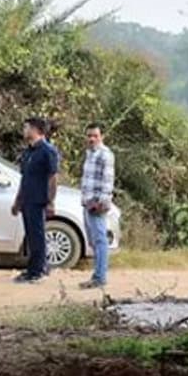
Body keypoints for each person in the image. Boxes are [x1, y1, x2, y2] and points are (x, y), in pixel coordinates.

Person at [11, 117, 60, 284]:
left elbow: (53, 177)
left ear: (36, 130)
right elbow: (24, 178)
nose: (24, 131)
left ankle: (38, 271)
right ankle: (34, 268)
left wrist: (51, 201)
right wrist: (18, 201)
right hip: (27, 200)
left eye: (27, 128)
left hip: (39, 200)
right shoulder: (28, 152)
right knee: (31, 237)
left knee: (38, 236)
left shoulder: (48, 151)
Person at [79, 123, 115, 290]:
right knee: (94, 240)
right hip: (87, 202)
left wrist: (100, 203)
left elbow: (107, 182)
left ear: (102, 136)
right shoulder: (90, 154)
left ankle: (100, 277)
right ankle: (97, 275)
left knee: (100, 240)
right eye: (89, 135)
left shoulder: (105, 155)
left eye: (95, 135)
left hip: (96, 204)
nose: (92, 139)